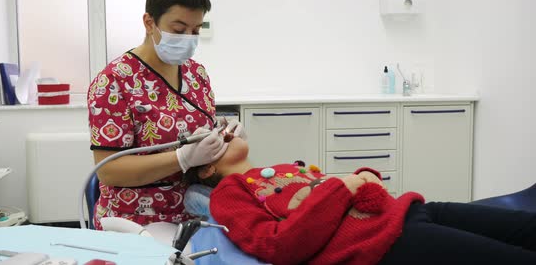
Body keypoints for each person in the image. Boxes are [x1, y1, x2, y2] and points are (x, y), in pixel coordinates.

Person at [184, 135, 536, 265]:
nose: (224, 130)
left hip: (410, 211)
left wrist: (361, 177)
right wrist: (345, 188)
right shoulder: (229, 195)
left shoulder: (281, 168)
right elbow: (279, 246)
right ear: (206, 168)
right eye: (214, 135)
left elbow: (332, 193)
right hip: (386, 242)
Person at [87, 0, 246, 231]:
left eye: (196, 30)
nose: (189, 39)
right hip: (136, 220)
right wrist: (181, 158)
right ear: (149, 23)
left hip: (195, 212)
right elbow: (109, 170)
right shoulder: (115, 82)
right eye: (179, 29)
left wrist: (223, 136)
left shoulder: (197, 74)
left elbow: (192, 131)